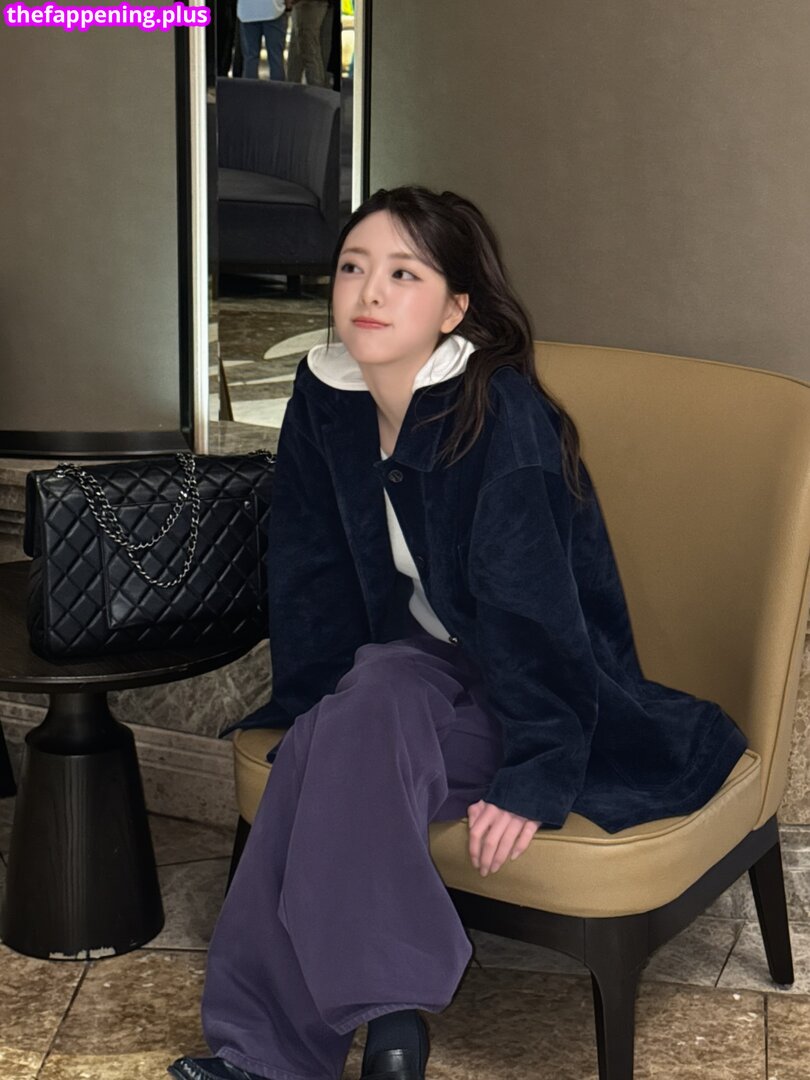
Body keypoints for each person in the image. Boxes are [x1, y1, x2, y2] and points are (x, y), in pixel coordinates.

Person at [169, 186, 747, 1080]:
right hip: (412, 672)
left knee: (346, 731)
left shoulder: (500, 414)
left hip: (536, 689)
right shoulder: (327, 393)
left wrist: (536, 772)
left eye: (404, 274)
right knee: (350, 716)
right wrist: (316, 704)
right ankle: (385, 1020)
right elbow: (311, 569)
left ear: (454, 307)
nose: (369, 291)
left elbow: (538, 614)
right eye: (353, 267)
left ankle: (286, 1052)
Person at [237, 0, 288, 81]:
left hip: (247, 11)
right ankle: (278, 88)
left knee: (250, 58)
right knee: (276, 58)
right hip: (273, 9)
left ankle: (250, 88)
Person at [286, 0, 331, 87]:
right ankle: (294, 88)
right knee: (299, 50)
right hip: (305, 5)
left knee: (308, 49)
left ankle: (316, 89)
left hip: (310, 4)